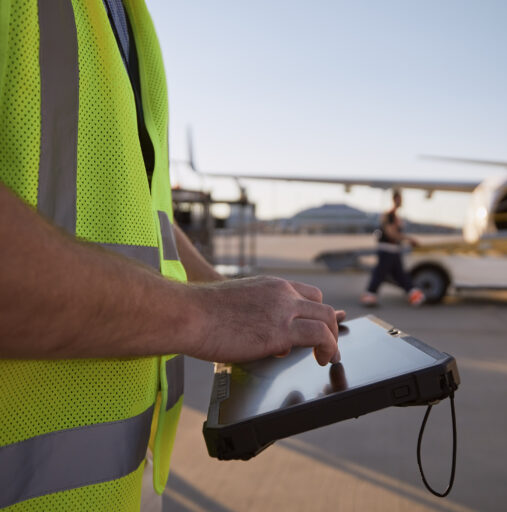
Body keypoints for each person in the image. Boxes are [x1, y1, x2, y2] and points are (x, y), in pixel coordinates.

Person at [0, 2, 342, 510]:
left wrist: (223, 296)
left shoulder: (123, 13)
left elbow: (146, 210)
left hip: (122, 483)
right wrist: (205, 315)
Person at [360, 190, 425, 307]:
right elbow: (391, 233)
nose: (401, 201)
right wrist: (409, 239)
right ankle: (369, 296)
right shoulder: (389, 215)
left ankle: (414, 294)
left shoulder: (395, 216)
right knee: (381, 273)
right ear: (394, 199)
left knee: (399, 275)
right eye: (399, 199)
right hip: (387, 249)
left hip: (394, 250)